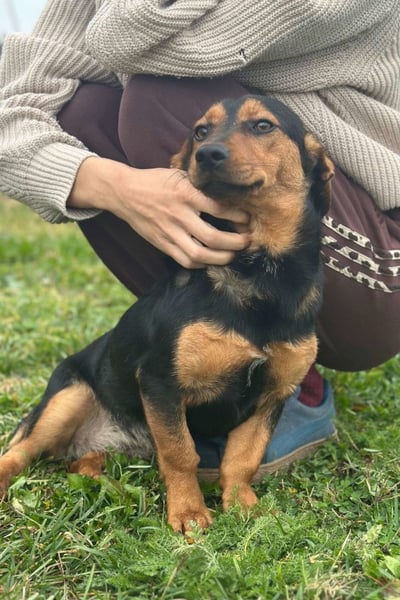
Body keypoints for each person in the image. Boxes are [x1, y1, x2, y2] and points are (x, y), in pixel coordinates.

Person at [0, 0, 399, 479]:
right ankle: (203, 352)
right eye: (204, 136)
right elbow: (13, 110)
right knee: (82, 110)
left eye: (259, 127)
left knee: (157, 95)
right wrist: (116, 186)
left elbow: (132, 38)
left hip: (374, 238)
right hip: (207, 275)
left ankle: (290, 383)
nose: (211, 148)